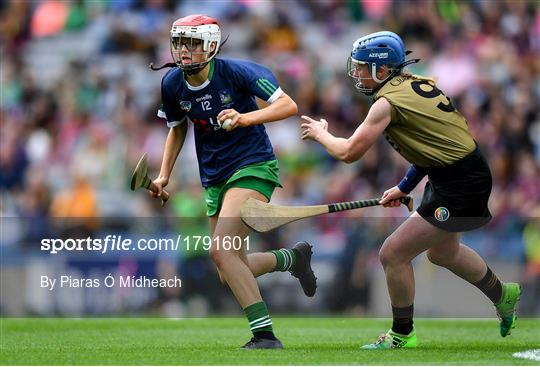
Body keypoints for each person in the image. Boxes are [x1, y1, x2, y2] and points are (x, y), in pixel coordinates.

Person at [300, 31, 521, 349]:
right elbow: (433, 145)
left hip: (460, 184)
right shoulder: (417, 84)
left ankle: (402, 334)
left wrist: (321, 133)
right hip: (454, 175)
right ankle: (504, 294)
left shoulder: (385, 104)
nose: (357, 73)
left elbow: (349, 152)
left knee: (393, 253)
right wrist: (404, 187)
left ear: (382, 69)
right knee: (443, 253)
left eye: (362, 67)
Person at [150, 14, 317, 349]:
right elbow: (178, 126)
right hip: (214, 176)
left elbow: (288, 105)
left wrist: (245, 118)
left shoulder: (240, 72)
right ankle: (291, 259)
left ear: (211, 45)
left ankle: (265, 336)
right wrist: (164, 174)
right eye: (180, 42)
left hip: (253, 166)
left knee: (221, 250)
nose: (184, 50)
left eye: (193, 43)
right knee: (228, 268)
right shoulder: (171, 83)